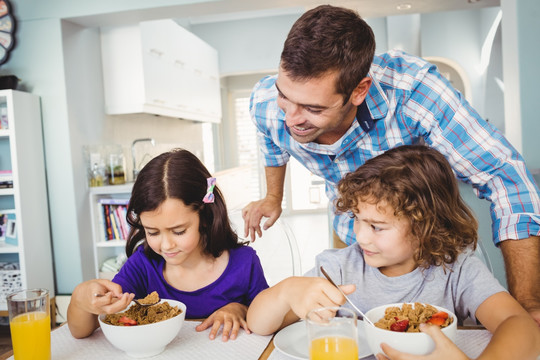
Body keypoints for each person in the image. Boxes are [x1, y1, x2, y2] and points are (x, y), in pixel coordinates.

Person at [242, 4, 540, 324]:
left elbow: (504, 178)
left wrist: (528, 305)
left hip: (428, 250)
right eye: (284, 96)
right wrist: (274, 197)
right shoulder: (264, 105)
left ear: (359, 91)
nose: (291, 119)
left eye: (313, 108)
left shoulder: (415, 92)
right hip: (351, 234)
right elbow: (271, 142)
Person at [246, 145, 540, 359]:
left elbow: (521, 326)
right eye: (356, 219)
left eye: (377, 226)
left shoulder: (457, 270)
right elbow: (259, 324)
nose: (360, 236)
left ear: (427, 226)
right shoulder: (338, 269)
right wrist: (287, 291)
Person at [68, 149, 269, 341]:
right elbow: (80, 331)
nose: (166, 245)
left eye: (179, 231)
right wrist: (80, 299)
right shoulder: (143, 265)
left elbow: (268, 317)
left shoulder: (244, 263)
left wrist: (240, 309)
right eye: (152, 232)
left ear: (205, 217)